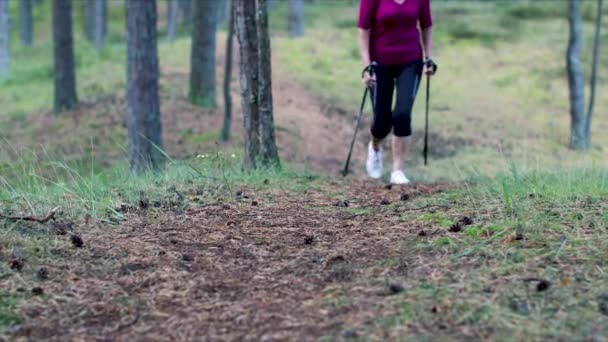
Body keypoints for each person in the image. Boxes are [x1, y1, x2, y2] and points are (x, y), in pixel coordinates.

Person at [357, 0, 435, 184]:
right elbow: (363, 30)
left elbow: (427, 26)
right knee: (381, 123)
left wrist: (428, 58)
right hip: (380, 62)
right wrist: (366, 65)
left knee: (402, 114)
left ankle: (397, 170)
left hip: (411, 61)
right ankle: (375, 148)